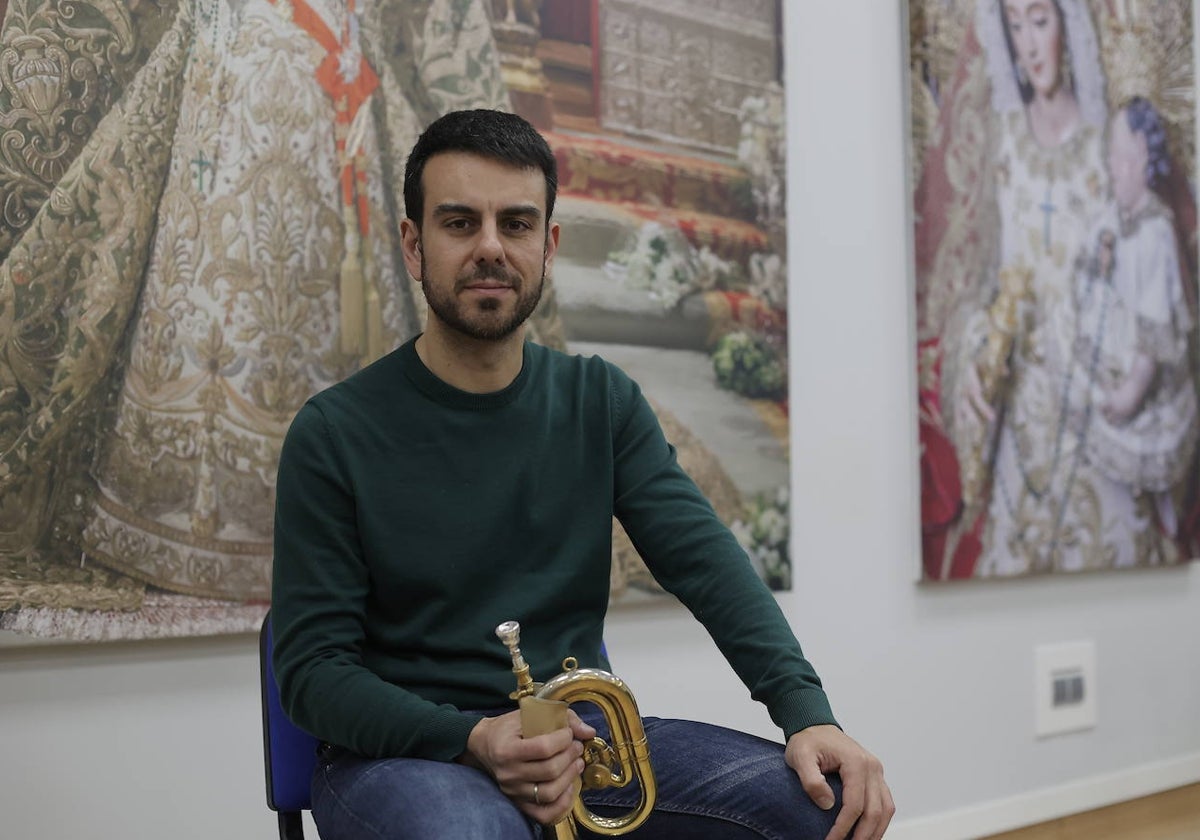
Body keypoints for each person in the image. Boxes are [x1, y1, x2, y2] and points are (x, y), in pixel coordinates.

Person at [271, 109, 894, 840]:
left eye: (517, 223)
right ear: (414, 245)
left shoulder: (601, 401)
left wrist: (808, 713)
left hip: (581, 737)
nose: (491, 248)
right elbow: (312, 673)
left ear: (549, 244)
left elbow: (709, 566)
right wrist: (476, 738)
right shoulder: (332, 433)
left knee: (818, 811)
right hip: (402, 756)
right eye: (460, 223)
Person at [917, 0, 1120, 577]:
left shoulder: (1109, 142)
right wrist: (983, 346)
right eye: (1015, 26)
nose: (1030, 44)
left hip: (1093, 389)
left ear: (1067, 24)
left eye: (1040, 21)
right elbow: (973, 284)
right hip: (1024, 406)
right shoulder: (1001, 142)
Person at [1045, 96, 1198, 551]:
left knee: (1139, 430)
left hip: (1143, 364)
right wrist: (1098, 257)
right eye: (1110, 154)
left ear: (1142, 156)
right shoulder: (1119, 212)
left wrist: (1133, 390)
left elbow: (1153, 332)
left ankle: (1152, 491)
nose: (1110, 164)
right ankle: (1113, 477)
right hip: (1111, 336)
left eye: (1118, 154)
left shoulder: (1156, 233)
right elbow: (1093, 247)